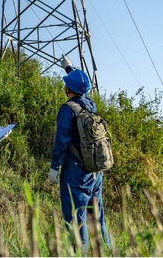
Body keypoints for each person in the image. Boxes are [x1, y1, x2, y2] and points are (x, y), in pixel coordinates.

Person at [48, 58, 109, 247]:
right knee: (96, 220)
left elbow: (61, 141)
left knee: (76, 220)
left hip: (75, 173)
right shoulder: (90, 105)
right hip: (94, 172)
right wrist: (69, 68)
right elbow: (81, 84)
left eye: (66, 85)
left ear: (68, 89)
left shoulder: (67, 110)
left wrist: (54, 168)